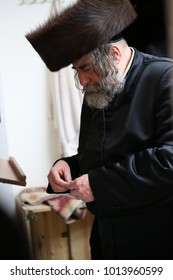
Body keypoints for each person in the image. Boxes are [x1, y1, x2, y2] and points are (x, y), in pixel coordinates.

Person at [26, 0, 173, 259]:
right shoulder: (98, 88)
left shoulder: (165, 78)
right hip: (106, 240)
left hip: (156, 239)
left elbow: (169, 160)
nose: (81, 80)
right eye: (77, 70)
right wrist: (69, 166)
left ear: (114, 55)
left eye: (85, 67)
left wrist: (98, 184)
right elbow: (97, 157)